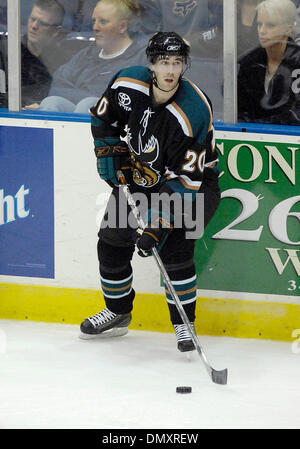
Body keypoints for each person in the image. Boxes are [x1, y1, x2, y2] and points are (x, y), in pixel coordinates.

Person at [79, 32, 221, 352]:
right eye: (163, 62)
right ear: (150, 63)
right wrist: (108, 152)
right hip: (141, 179)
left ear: (184, 65)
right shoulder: (126, 82)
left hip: (195, 188)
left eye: (177, 62)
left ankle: (184, 324)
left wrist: (156, 226)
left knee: (175, 252)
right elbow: (103, 118)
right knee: (112, 241)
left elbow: (187, 181)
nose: (170, 70)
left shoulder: (194, 110)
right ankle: (117, 313)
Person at [37, 0, 148, 113]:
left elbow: (127, 99)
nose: (95, 27)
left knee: (88, 105)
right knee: (51, 103)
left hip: (118, 125)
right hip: (75, 117)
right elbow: (57, 88)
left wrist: (82, 95)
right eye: (94, 21)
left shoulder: (141, 59)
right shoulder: (85, 56)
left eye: (103, 22)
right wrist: (92, 95)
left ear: (122, 27)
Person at [238, 0, 300, 125]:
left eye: (270, 25)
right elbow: (240, 109)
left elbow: (296, 114)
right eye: (259, 24)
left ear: (288, 29)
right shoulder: (248, 62)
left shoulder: (297, 62)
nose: (262, 31)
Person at [0, 0, 66, 108]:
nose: (34, 26)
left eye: (43, 23)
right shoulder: (6, 51)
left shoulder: (63, 61)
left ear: (56, 31)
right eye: (32, 19)